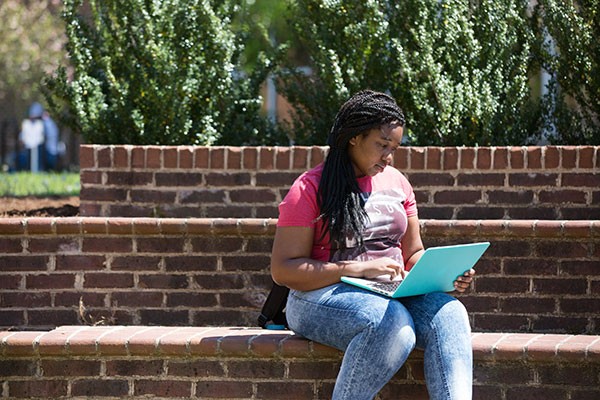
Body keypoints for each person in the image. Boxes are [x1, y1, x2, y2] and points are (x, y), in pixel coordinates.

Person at [270, 90, 475, 400]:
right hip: (319, 297)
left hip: (391, 292)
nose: (388, 157)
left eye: (394, 147)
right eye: (381, 145)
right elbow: (284, 270)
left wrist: (444, 274)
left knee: (451, 313)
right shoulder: (309, 188)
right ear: (354, 137)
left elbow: (412, 253)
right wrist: (359, 269)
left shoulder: (398, 183)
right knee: (392, 322)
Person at [17, 102, 46, 172]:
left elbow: (41, 136)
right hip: (27, 147)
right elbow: (23, 135)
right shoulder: (25, 123)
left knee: (37, 162)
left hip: (37, 147)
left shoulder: (40, 124)